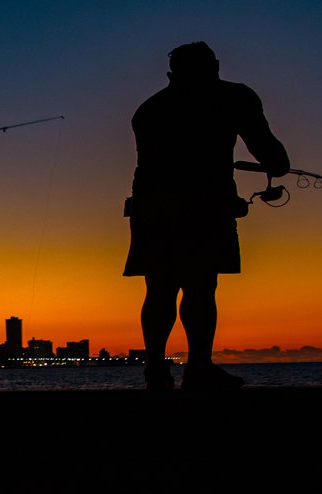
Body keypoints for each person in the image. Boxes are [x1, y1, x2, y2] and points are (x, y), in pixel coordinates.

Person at [123, 42, 290, 390]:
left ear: (172, 73)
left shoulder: (149, 110)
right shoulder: (234, 97)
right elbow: (267, 149)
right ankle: (199, 367)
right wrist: (277, 165)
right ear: (214, 66)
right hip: (202, 209)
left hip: (151, 207)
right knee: (200, 288)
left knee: (159, 289)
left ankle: (156, 370)